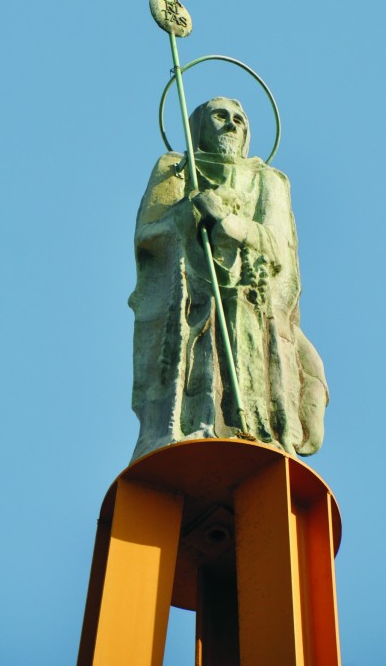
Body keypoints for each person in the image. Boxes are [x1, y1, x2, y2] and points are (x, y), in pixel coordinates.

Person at [129, 96, 328, 462]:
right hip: (189, 298)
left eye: (240, 119)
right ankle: (189, 427)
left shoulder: (268, 180)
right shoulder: (176, 169)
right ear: (198, 127)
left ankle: (255, 432)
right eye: (220, 115)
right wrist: (189, 212)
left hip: (251, 302)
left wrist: (227, 222)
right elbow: (148, 235)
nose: (231, 123)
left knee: (248, 364)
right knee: (196, 366)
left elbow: (277, 247)